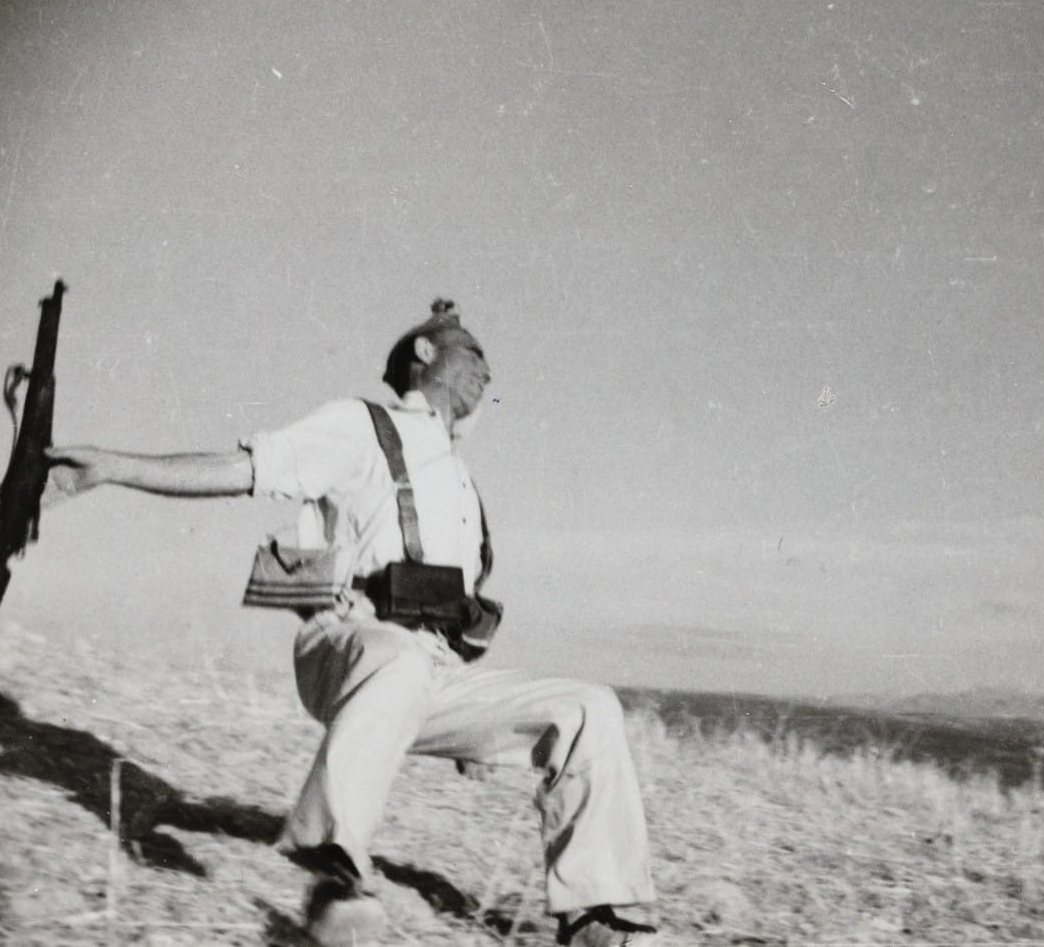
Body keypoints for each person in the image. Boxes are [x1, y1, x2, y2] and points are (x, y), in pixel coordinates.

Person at [46, 300, 661, 947]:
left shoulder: (460, 483)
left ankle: (599, 918)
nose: (489, 373)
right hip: (346, 642)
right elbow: (245, 469)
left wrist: (481, 727)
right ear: (426, 354)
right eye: (475, 354)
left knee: (589, 708)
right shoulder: (362, 425)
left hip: (428, 671)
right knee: (396, 660)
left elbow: (457, 612)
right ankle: (335, 872)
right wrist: (114, 468)